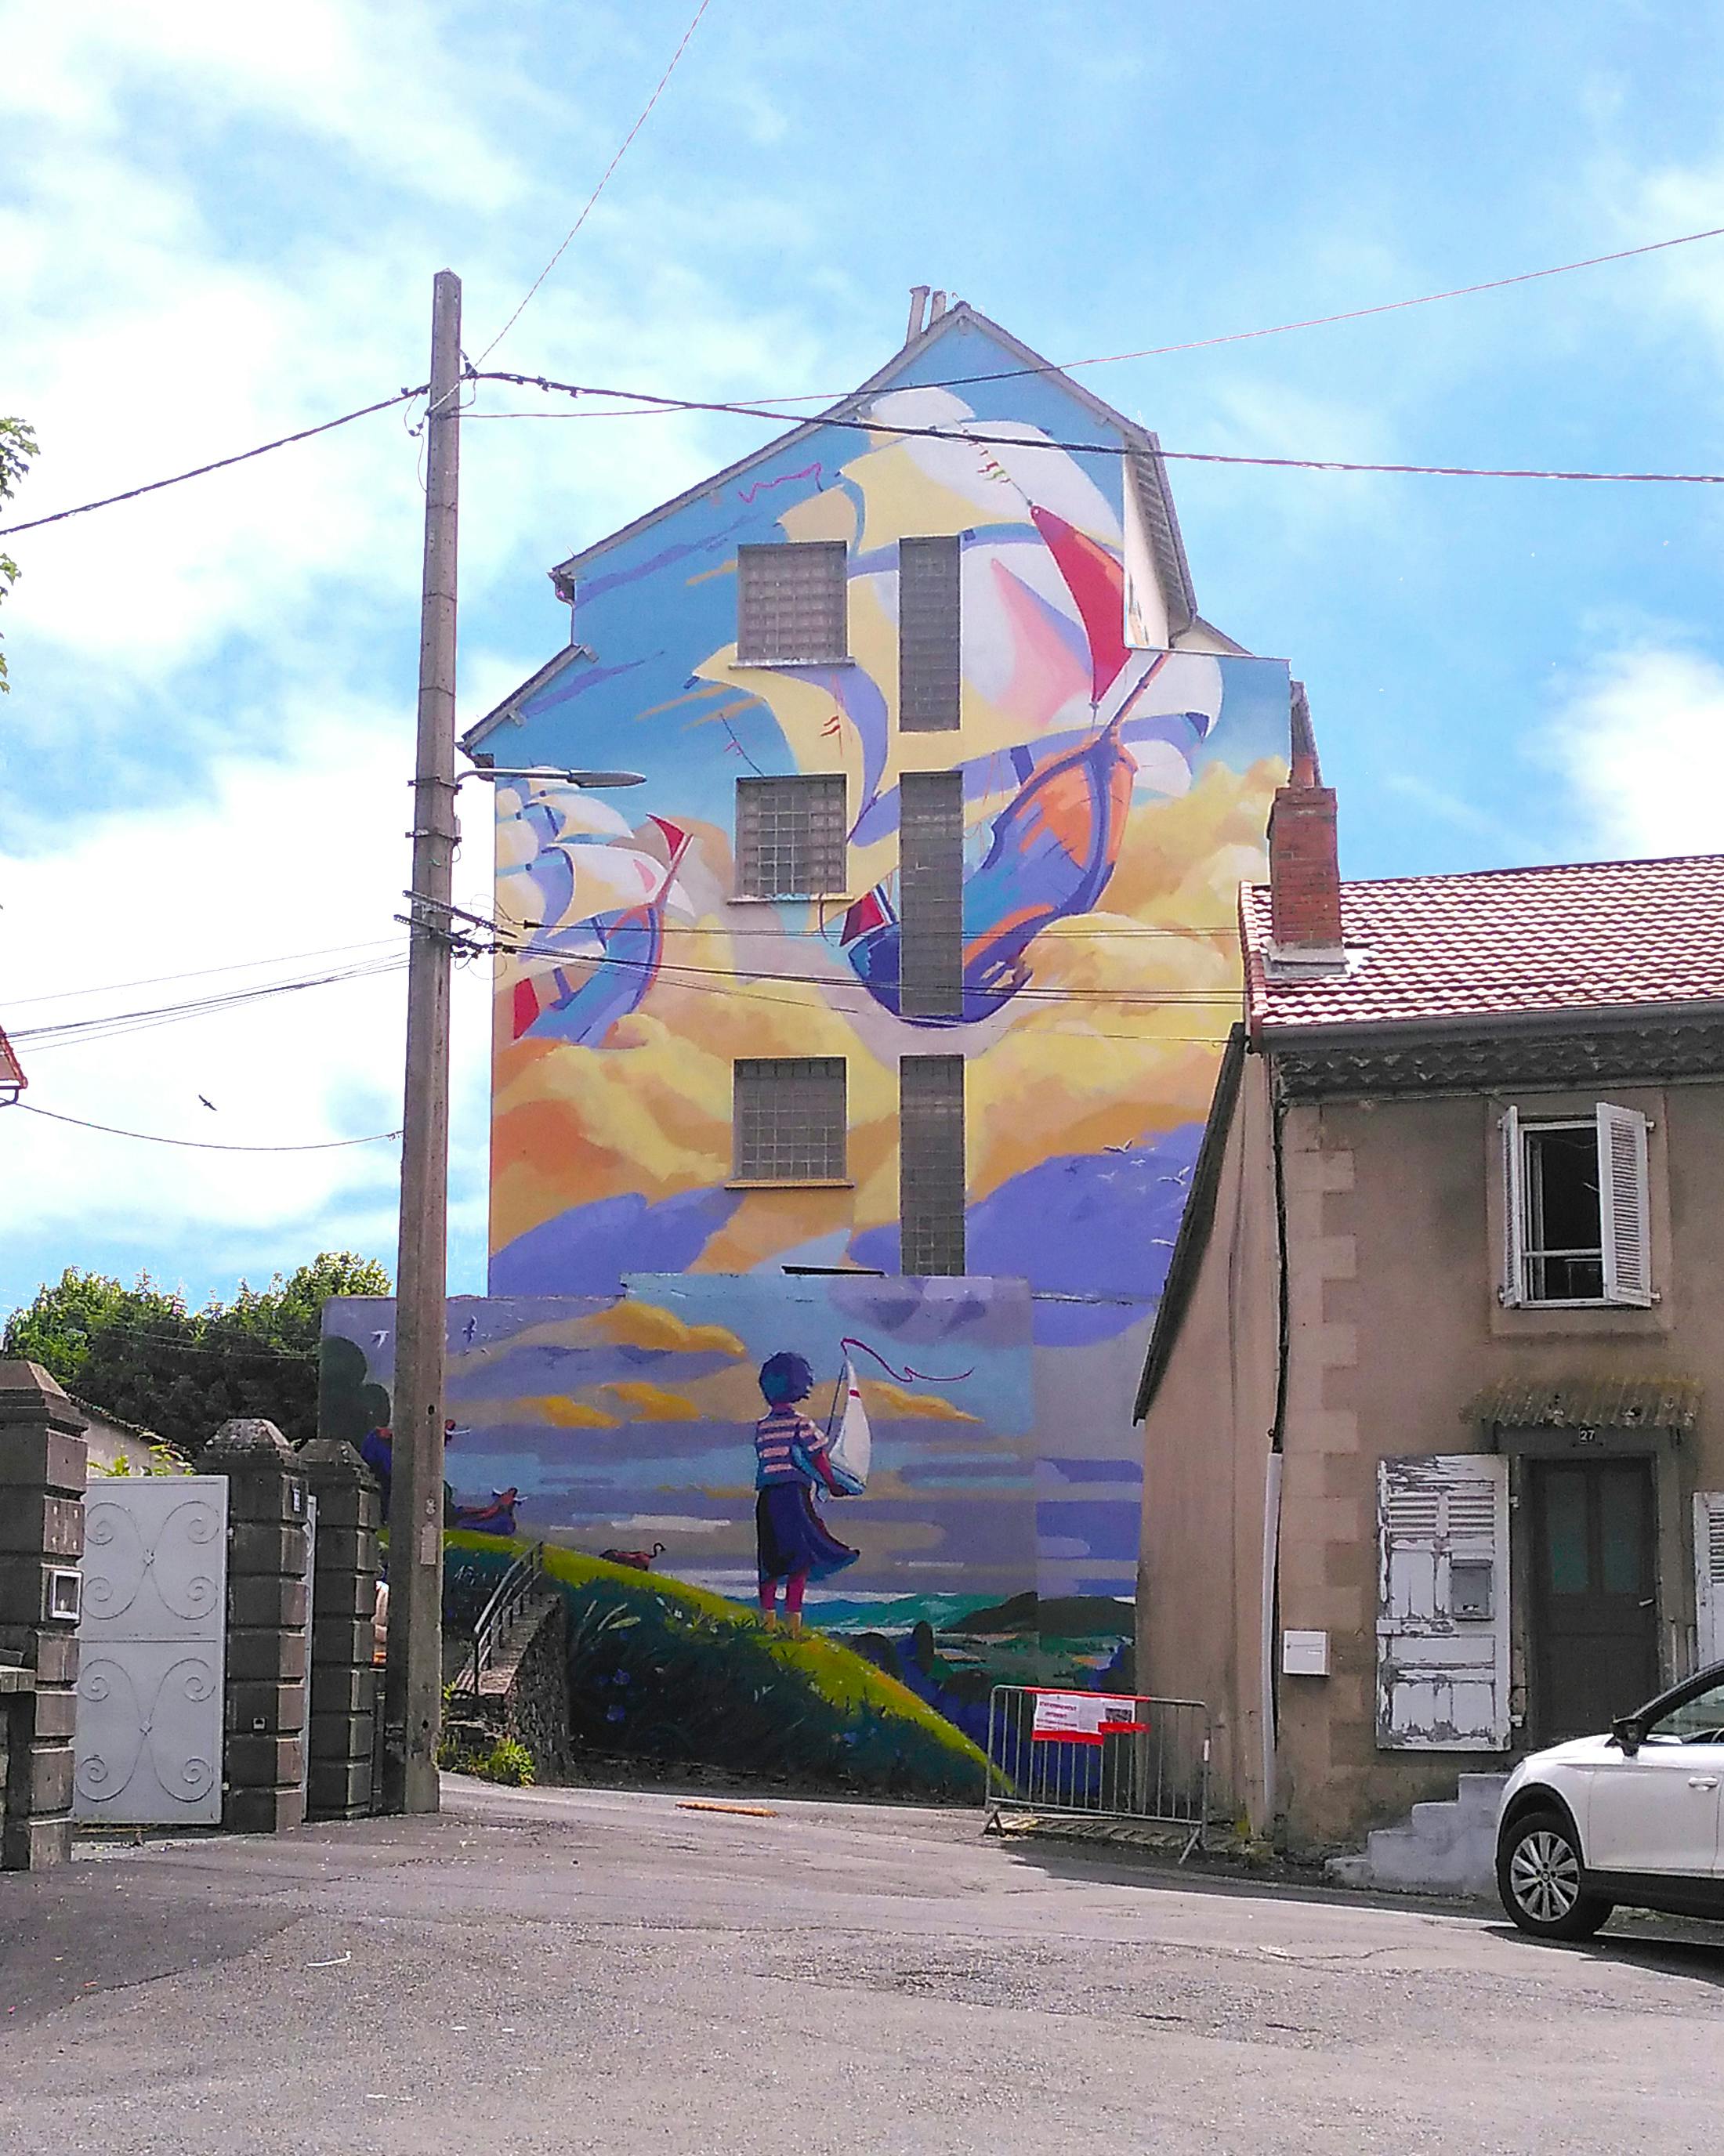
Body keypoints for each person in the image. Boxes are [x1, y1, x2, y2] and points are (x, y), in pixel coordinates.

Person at [753, 1351, 858, 1633]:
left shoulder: (762, 1427)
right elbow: (818, 1458)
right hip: (793, 1497)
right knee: (799, 1561)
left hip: (767, 1499)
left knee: (769, 1562)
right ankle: (793, 1627)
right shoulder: (802, 1423)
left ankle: (766, 1623)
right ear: (799, 1386)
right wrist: (832, 1484)